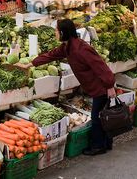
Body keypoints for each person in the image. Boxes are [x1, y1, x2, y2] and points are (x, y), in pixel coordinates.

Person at [28, 19, 116, 156]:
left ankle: (98, 146)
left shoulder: (81, 49)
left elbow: (101, 66)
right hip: (94, 86)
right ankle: (106, 143)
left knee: (96, 117)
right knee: (101, 115)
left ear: (63, 32)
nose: (55, 33)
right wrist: (30, 64)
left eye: (56, 31)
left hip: (100, 87)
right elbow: (51, 55)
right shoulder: (68, 46)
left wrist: (110, 85)